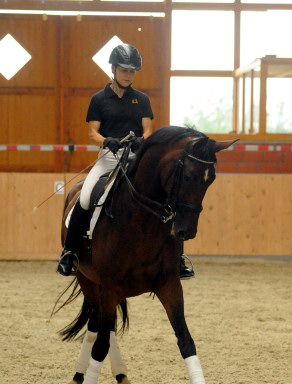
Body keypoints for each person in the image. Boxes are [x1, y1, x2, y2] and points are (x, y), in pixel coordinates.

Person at [57, 44, 194, 280]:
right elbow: (92, 133)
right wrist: (107, 140)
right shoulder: (99, 99)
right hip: (108, 158)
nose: (128, 75)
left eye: (132, 71)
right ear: (113, 69)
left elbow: (148, 131)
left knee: (166, 198)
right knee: (86, 196)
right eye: (124, 70)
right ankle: (69, 253)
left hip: (135, 159)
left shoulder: (141, 99)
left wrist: (142, 142)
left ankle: (178, 258)